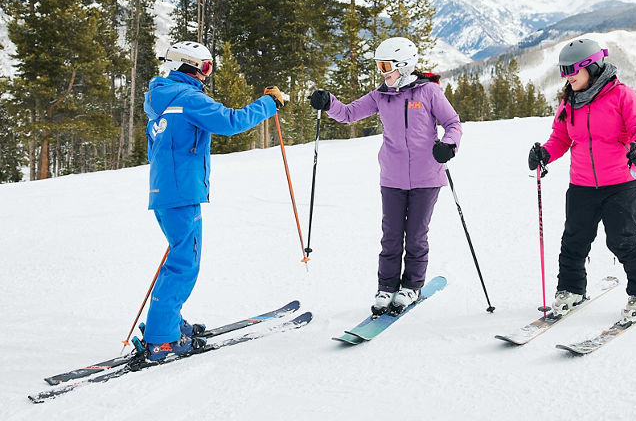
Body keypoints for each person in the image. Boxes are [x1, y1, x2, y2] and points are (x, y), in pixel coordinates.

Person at [142, 41, 286, 360]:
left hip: (163, 192)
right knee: (184, 263)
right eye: (206, 68)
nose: (207, 75)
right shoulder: (189, 98)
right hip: (182, 192)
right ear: (189, 66)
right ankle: (161, 338)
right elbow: (231, 122)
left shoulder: (158, 99)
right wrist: (268, 103)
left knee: (178, 257)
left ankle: (168, 322)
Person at [309, 36, 462, 316]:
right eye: (379, 66)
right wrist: (328, 101)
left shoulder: (428, 92)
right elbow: (347, 114)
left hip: (427, 176)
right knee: (391, 236)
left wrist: (449, 145)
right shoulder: (381, 95)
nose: (382, 72)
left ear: (404, 66)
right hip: (392, 177)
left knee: (416, 235)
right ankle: (386, 287)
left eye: (385, 66)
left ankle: (411, 286)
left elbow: (452, 123)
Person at [527, 38, 636, 323]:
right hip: (582, 185)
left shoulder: (622, 95)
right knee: (574, 241)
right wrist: (544, 155)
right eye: (564, 71)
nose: (567, 76)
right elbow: (561, 137)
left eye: (572, 69)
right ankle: (571, 290)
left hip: (620, 183)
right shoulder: (570, 101)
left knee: (622, 240)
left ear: (593, 66)